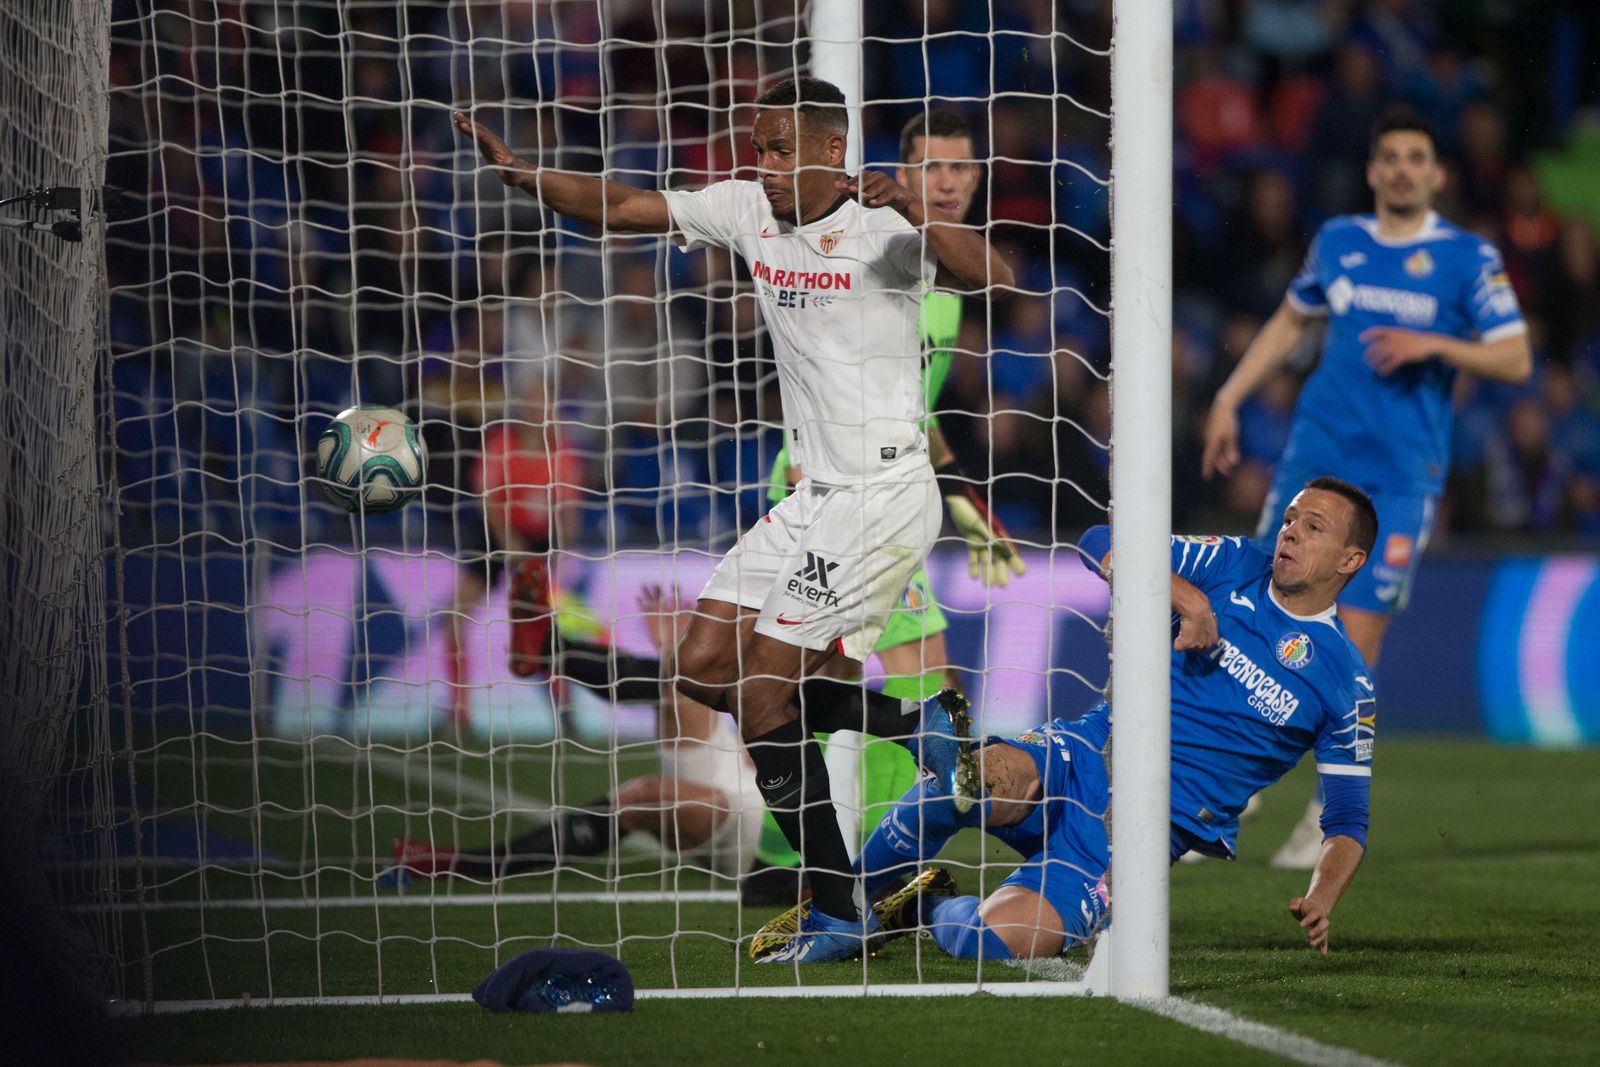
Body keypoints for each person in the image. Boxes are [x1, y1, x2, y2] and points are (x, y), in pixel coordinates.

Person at [455, 76, 1015, 962]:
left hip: (880, 498)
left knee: (762, 694)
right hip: (813, 496)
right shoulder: (747, 208)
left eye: (782, 149)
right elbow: (626, 204)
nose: (766, 165)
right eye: (758, 148)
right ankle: (921, 728)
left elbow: (999, 274)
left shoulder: (883, 227)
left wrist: (911, 199)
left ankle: (836, 908)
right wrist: (529, 179)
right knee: (701, 665)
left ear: (833, 151)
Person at [754, 478, 1380, 962]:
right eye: (1291, 517)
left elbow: (1347, 816)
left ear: (1349, 561)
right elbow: (1099, 542)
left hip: (1138, 831)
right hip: (1087, 754)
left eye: (1313, 527)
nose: (1290, 532)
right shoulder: (1234, 564)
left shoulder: (1344, 682)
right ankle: (846, 904)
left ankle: (922, 907)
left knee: (990, 942)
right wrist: (1181, 593)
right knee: (966, 778)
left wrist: (1323, 895)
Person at [1200, 109, 1531, 867]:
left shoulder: (1466, 259)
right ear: (1375, 171)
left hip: (1400, 478)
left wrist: (1435, 343)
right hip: (1314, 460)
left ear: (1437, 174)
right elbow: (1290, 322)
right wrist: (1229, 396)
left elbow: (1514, 359)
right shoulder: (1339, 241)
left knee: (1361, 633)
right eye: (1391, 157)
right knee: (1253, 604)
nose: (1404, 169)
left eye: (1418, 157)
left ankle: (1325, 806)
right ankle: (1225, 787)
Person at [392, 586, 769, 884]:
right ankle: (548, 649)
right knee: (680, 679)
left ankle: (471, 865)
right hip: (733, 770)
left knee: (645, 795)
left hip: (765, 823)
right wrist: (679, 653)